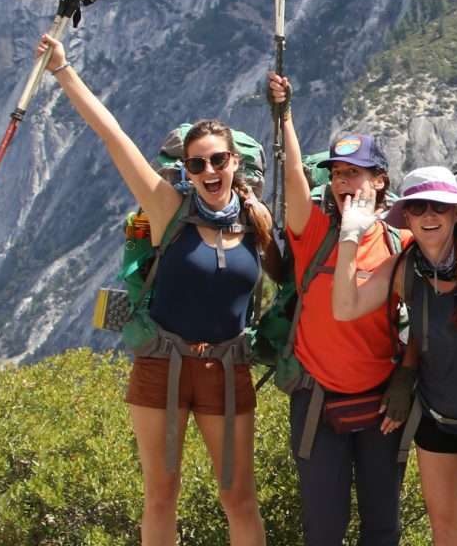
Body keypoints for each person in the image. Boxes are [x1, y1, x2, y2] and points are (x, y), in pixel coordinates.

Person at [40, 33, 284, 546]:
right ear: (186, 171)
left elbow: (290, 274)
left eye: (218, 160)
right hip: (162, 367)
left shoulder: (258, 220)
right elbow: (113, 137)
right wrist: (63, 71)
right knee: (160, 495)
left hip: (227, 368)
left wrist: (284, 112)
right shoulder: (167, 211)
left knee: (239, 499)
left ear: (235, 163)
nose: (209, 171)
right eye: (197, 164)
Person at [328, 165, 457, 546]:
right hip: (438, 415)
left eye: (439, 207)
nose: (429, 216)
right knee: (445, 533)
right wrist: (349, 238)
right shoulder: (405, 268)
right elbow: (344, 307)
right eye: (419, 208)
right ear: (406, 216)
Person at [265, 72, 406, 546]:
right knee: (323, 528)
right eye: (337, 173)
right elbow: (292, 177)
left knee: (382, 528)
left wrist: (408, 384)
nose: (343, 182)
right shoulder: (315, 231)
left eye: (355, 173)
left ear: (380, 181)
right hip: (317, 400)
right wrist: (283, 115)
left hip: (381, 403)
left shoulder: (398, 244)